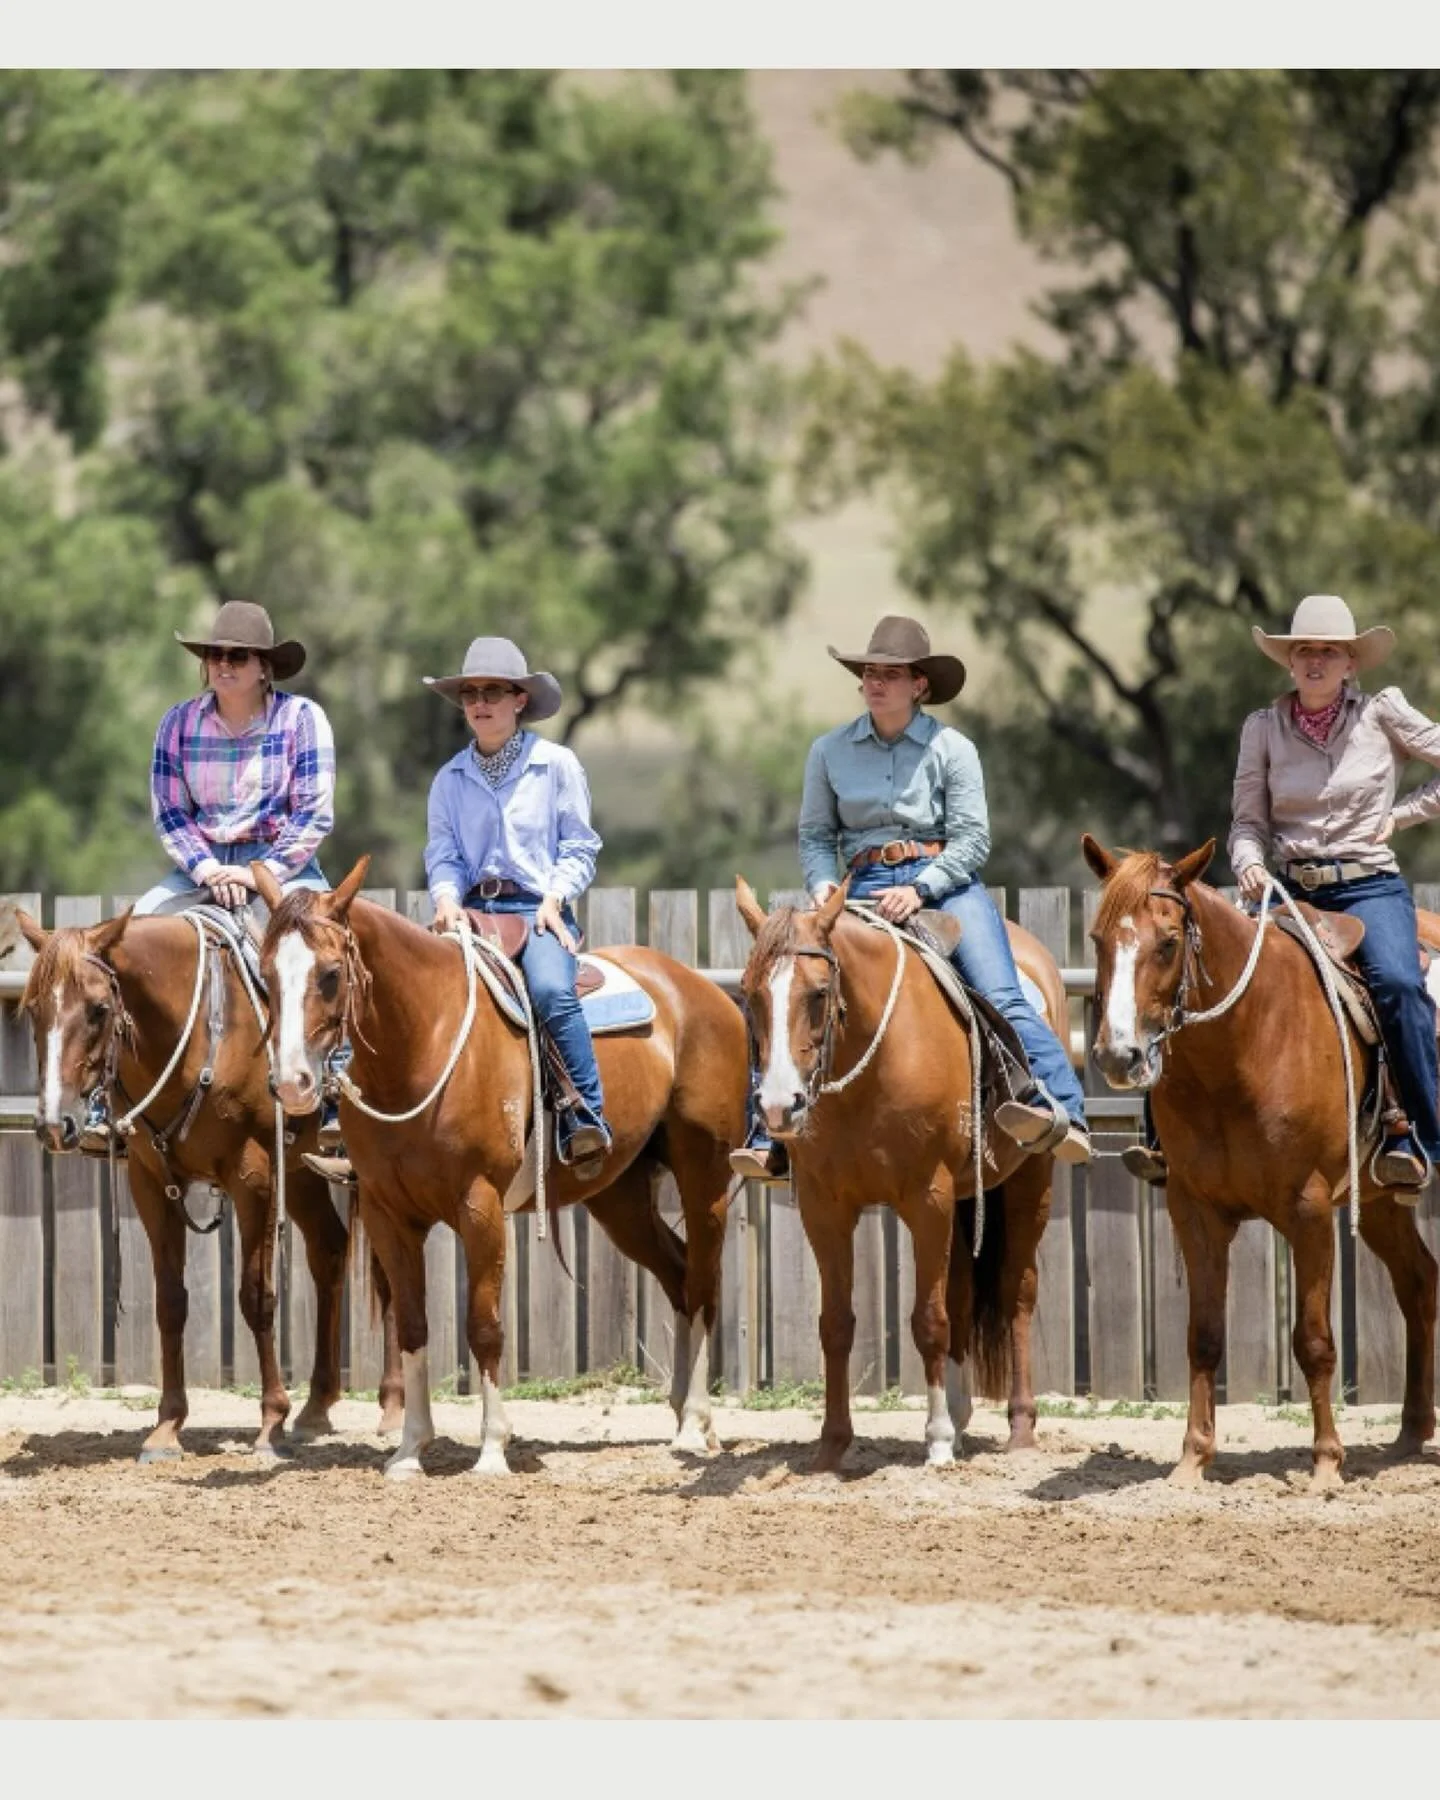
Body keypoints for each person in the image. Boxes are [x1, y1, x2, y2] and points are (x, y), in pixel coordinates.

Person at [730, 614, 1091, 1183]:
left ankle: (1062, 1108)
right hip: (859, 888)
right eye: (870, 673)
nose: (876, 683)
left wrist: (921, 887)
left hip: (944, 886)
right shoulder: (828, 751)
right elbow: (816, 836)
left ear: (919, 685)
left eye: (891, 675)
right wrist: (824, 887)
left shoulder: (953, 749)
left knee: (1000, 990)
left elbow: (973, 839)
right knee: (781, 987)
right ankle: (766, 1131)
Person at [86, 600, 344, 1155]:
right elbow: (171, 812)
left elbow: (313, 815)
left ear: (263, 666)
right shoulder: (176, 723)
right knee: (120, 950)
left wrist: (258, 875)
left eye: (236, 654)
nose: (222, 663)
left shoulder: (302, 719)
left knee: (323, 957)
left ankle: (338, 1097)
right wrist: (208, 868)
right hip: (197, 867)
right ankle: (104, 1101)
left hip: (283, 868)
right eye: (213, 654)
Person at [423, 636, 611, 1173]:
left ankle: (586, 1116)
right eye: (470, 694)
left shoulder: (556, 766)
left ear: (520, 700)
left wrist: (556, 897)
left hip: (537, 908)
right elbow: (443, 853)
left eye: (493, 692)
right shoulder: (449, 779)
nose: (479, 703)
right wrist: (445, 898)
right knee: (403, 989)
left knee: (552, 989)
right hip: (471, 914)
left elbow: (579, 845)